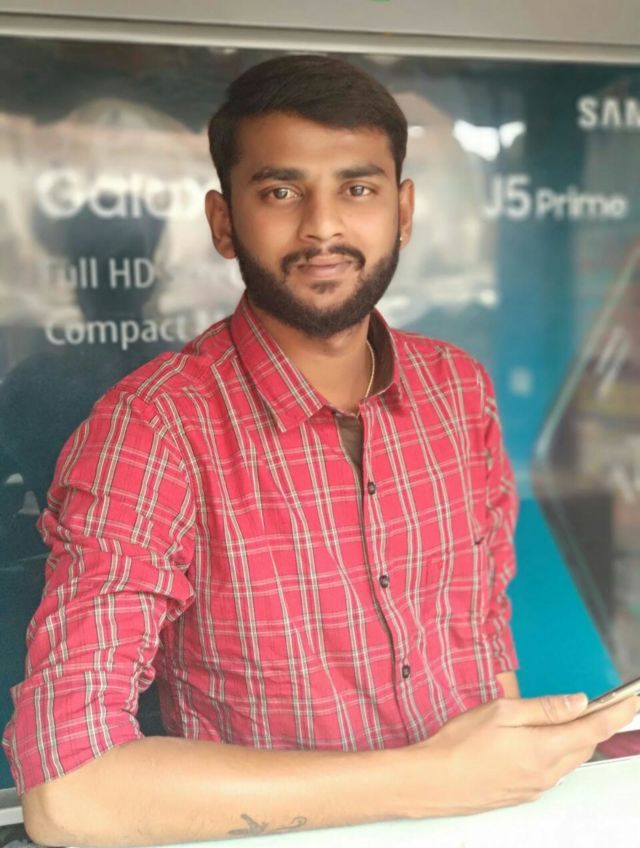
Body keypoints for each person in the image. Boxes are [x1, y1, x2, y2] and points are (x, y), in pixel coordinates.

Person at [3, 54, 637, 847]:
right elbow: (68, 797)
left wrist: (505, 773)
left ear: (403, 211)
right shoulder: (152, 431)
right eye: (281, 191)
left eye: (358, 189)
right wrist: (429, 781)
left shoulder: (457, 390)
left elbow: (478, 631)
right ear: (223, 222)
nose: (323, 227)